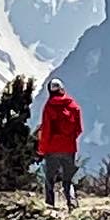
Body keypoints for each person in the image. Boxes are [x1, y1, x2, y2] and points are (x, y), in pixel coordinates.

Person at [36, 77, 82, 209]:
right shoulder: (73, 106)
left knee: (50, 178)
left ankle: (50, 204)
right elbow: (78, 129)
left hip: (52, 149)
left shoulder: (49, 107)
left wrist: (42, 149)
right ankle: (72, 202)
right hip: (69, 148)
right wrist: (70, 139)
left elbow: (46, 131)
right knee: (68, 179)